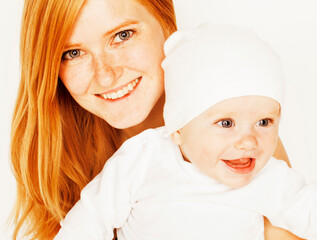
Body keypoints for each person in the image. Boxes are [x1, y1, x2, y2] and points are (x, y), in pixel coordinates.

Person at [10, 0, 299, 239]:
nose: (105, 74)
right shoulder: (60, 156)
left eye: (122, 35)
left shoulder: (241, 141)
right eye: (73, 53)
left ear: (168, 25)